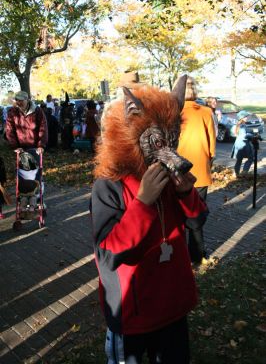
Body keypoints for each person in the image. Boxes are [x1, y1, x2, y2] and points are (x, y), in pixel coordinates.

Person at [90, 78, 208, 363]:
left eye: (172, 139)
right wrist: (142, 204)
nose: (167, 149)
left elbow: (196, 224)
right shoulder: (110, 185)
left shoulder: (170, 174)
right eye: (157, 140)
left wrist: (186, 193)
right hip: (134, 311)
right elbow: (108, 255)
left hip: (173, 304)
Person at [177, 76, 216, 265]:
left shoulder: (173, 112)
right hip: (200, 170)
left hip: (177, 171)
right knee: (196, 214)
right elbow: (212, 146)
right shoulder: (206, 112)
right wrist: (209, 160)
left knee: (178, 215)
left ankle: (180, 254)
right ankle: (198, 254)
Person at [231, 110, 254, 178]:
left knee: (239, 159)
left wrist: (251, 131)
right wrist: (252, 135)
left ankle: (236, 173)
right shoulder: (242, 126)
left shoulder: (237, 125)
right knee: (250, 158)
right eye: (246, 116)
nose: (247, 118)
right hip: (244, 144)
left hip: (238, 144)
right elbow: (244, 136)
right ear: (242, 118)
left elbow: (233, 133)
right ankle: (244, 172)